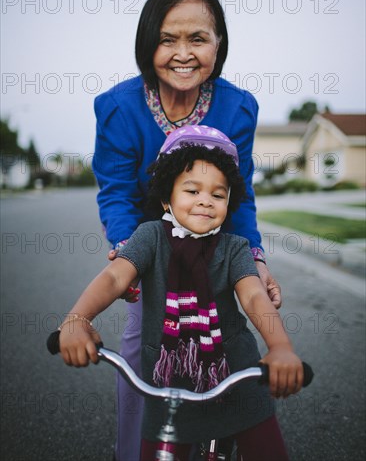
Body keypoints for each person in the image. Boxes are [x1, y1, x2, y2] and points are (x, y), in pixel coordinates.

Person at [92, 0, 282, 460]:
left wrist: (254, 259)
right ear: (147, 43)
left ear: (219, 44)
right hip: (151, 244)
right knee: (142, 352)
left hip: (216, 247)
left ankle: (232, 431)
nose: (183, 53)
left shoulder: (238, 107)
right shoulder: (118, 107)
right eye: (167, 38)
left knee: (231, 342)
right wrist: (127, 251)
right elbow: (115, 191)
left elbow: (240, 196)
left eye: (198, 38)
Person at [60, 126, 303, 461]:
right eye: (192, 190)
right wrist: (77, 319)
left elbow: (254, 298)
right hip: (167, 381)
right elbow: (115, 278)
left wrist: (281, 348)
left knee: (268, 450)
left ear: (229, 203)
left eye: (218, 195)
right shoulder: (149, 238)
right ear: (166, 197)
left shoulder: (235, 248)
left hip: (236, 377)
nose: (206, 200)